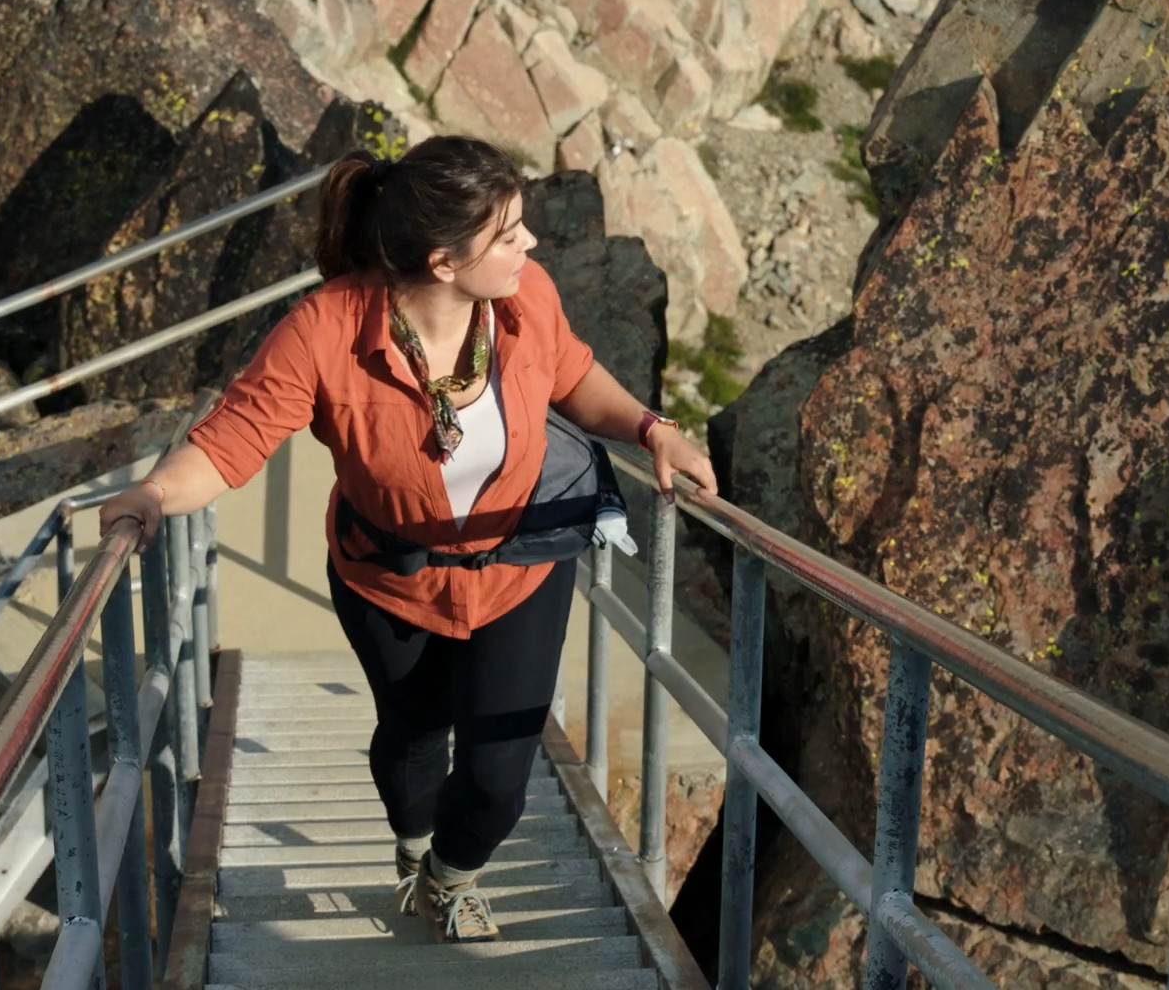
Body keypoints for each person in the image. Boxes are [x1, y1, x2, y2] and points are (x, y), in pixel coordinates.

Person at [98, 135, 716, 944]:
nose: (530, 244)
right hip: (390, 580)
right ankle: (415, 842)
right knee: (413, 741)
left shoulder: (525, 299)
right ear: (445, 262)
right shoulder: (328, 329)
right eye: (508, 233)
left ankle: (449, 880)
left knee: (499, 777)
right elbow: (228, 444)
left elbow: (573, 377)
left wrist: (651, 427)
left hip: (519, 572)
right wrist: (151, 495)